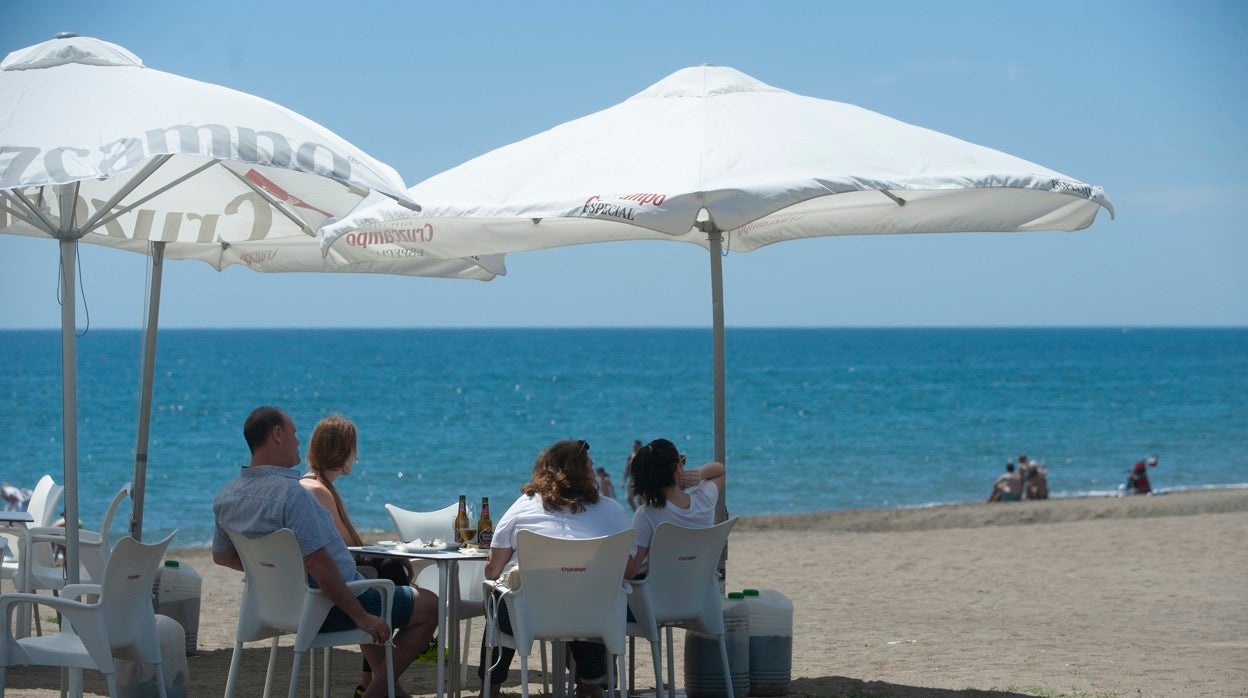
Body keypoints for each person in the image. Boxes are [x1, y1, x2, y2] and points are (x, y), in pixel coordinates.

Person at [212, 407, 438, 698]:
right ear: (277, 434)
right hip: (327, 606)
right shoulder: (293, 495)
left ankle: (388, 691)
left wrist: (278, 575)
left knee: (370, 591)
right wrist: (360, 616)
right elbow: (318, 562)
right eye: (293, 433)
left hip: (275, 607)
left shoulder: (227, 496)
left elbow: (222, 557)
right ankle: (377, 694)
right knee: (430, 604)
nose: (298, 442)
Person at [479, 439, 631, 698]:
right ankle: (592, 682)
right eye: (590, 466)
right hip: (593, 615)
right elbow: (625, 569)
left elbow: (492, 572)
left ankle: (490, 686)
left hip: (529, 615)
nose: (594, 472)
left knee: (500, 595)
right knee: (592, 592)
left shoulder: (524, 506)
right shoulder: (613, 511)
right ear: (583, 473)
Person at [299, 414, 418, 696]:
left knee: (387, 568)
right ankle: (382, 686)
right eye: (353, 449)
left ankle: (369, 683)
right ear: (342, 451)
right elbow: (347, 544)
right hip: (331, 593)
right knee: (392, 571)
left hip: (308, 587)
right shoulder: (318, 491)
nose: (356, 457)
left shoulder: (310, 484)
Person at [624, 439, 725, 579]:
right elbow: (720, 470)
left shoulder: (645, 515)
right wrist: (698, 474)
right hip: (703, 595)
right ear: (678, 468)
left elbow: (629, 572)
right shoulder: (703, 501)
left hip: (662, 598)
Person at [623, 439, 642, 510]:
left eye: (636, 446)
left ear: (640, 446)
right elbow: (627, 469)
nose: (634, 447)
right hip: (632, 480)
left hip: (641, 479)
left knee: (641, 499)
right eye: (633, 446)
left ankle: (643, 515)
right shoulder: (631, 455)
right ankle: (637, 512)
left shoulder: (643, 455)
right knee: (629, 498)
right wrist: (624, 480)